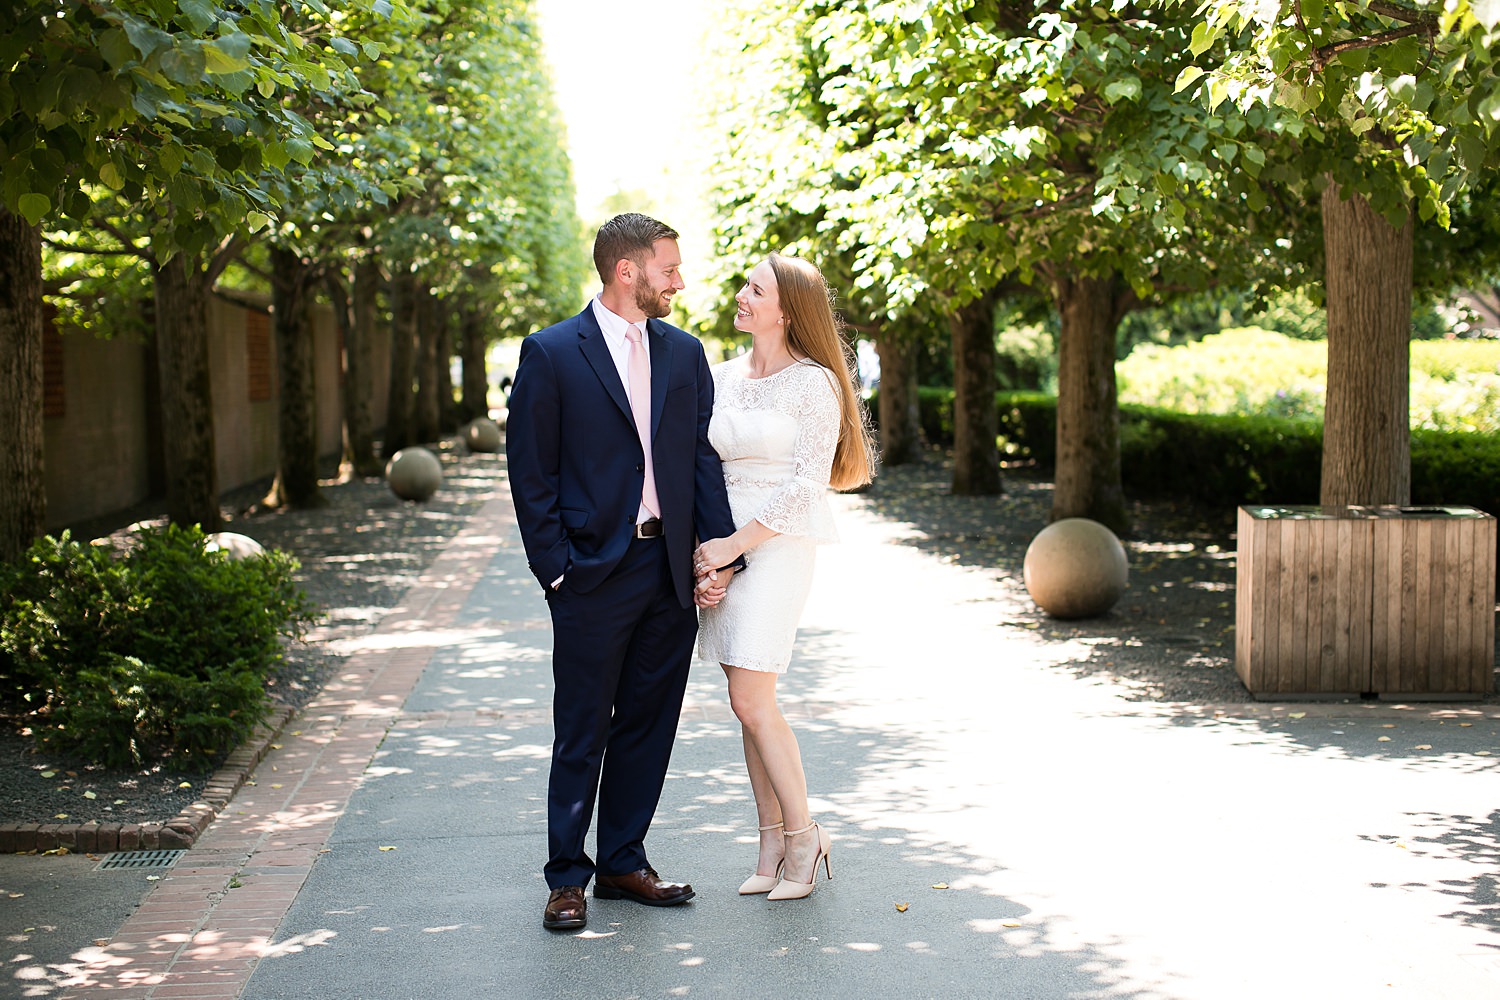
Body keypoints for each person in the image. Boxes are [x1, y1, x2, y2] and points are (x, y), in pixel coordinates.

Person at [506, 213, 742, 931]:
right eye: (668, 268)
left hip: (667, 568)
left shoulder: (685, 353)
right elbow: (530, 473)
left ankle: (623, 862)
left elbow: (701, 461)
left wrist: (721, 552)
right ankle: (565, 879)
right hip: (590, 575)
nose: (680, 280)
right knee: (582, 727)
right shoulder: (551, 353)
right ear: (627, 271)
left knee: (649, 721)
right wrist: (556, 572)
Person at [691, 252, 875, 901]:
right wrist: (704, 557)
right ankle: (769, 842)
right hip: (719, 541)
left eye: (754, 288)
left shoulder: (816, 383)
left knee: (752, 699)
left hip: (777, 543)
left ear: (788, 310)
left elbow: (804, 487)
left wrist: (732, 549)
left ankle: (804, 836)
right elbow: (701, 471)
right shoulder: (718, 376)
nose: (741, 295)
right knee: (746, 704)